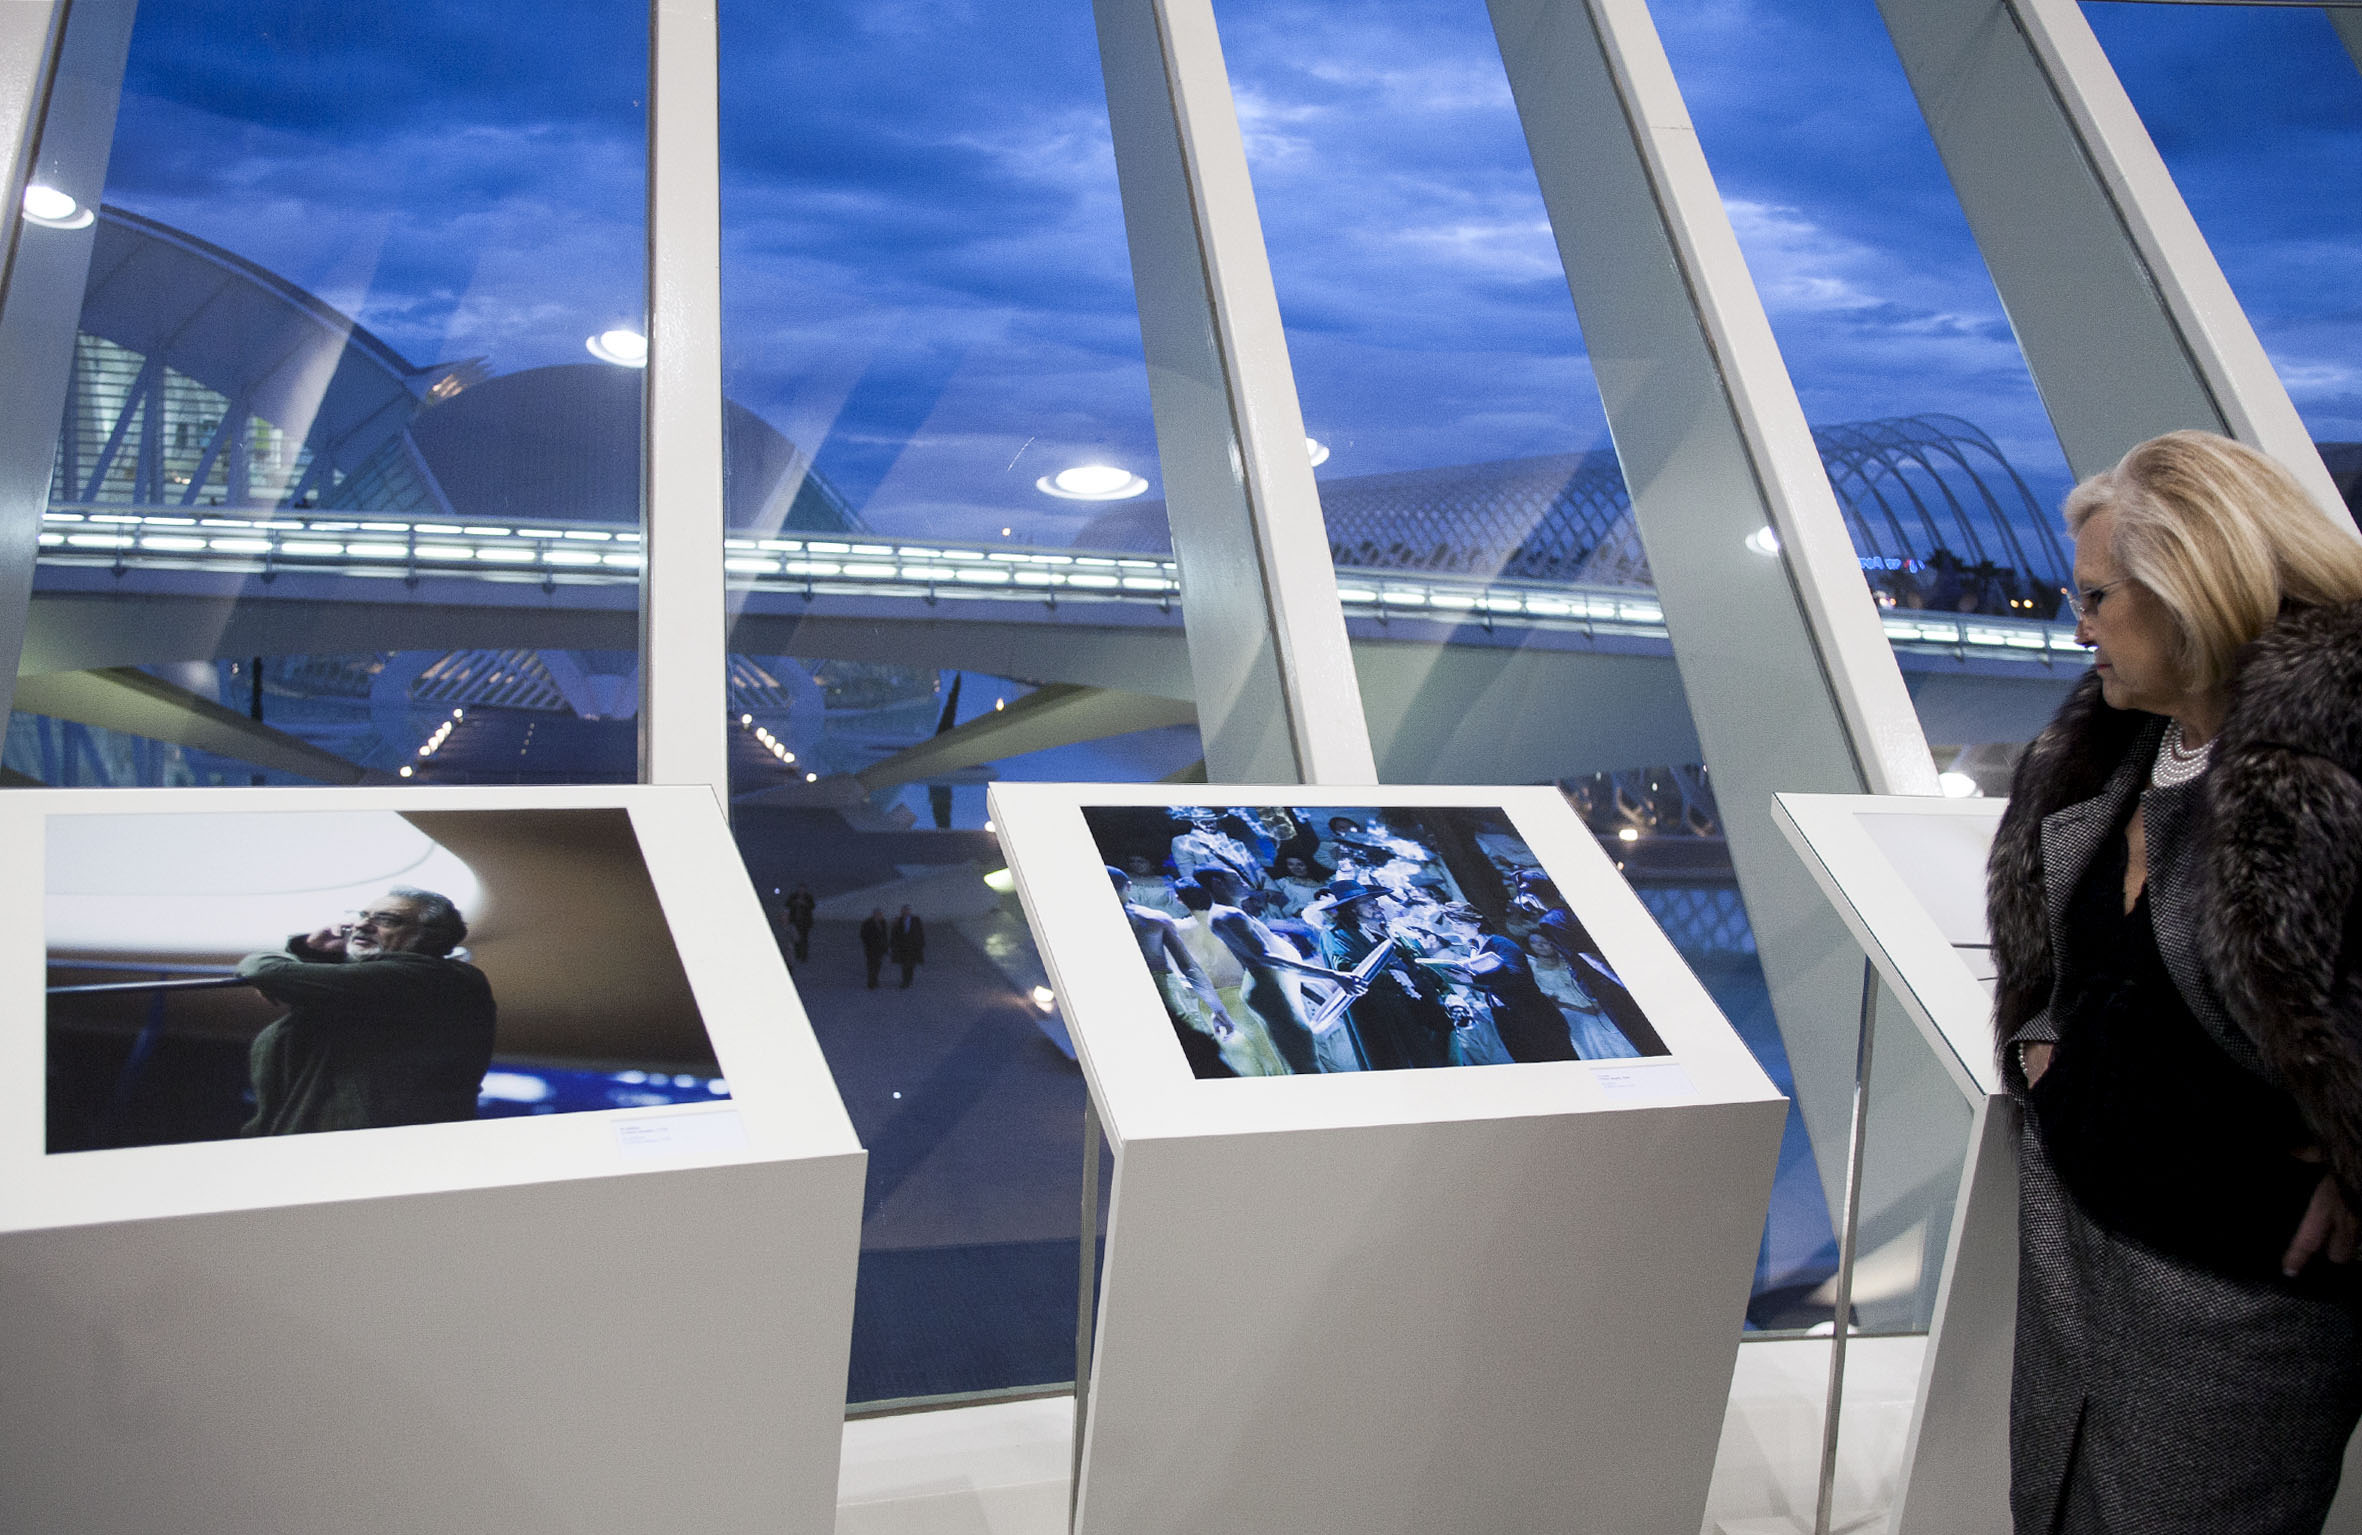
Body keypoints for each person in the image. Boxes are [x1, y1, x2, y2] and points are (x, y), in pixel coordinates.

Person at [1986, 431, 2362, 1535]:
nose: (2079, 625)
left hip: (2235, 1311)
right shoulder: (2114, 748)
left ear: (2193, 585)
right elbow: (2058, 952)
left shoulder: (2331, 764)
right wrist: (2045, 1049)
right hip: (2075, 1265)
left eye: (2099, 595)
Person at [234, 888, 496, 1136]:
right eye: (362, 916)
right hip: (311, 1153)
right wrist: (312, 955)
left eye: (386, 919)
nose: (361, 925)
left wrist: (290, 956)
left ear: (431, 936)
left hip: (376, 1156)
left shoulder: (436, 978)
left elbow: (268, 971)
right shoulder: (367, 992)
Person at [1109, 865, 1239, 1079]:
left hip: (1124, 995)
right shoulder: (1152, 918)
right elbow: (1189, 967)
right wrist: (1218, 1009)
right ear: (1129, 886)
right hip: (1167, 990)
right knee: (1196, 1053)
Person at [890, 904, 926, 988]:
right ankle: (905, 981)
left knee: (911, 965)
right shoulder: (898, 920)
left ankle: (909, 979)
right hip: (902, 947)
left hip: (913, 947)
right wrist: (893, 945)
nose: (905, 912)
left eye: (907, 910)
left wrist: (921, 943)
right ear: (901, 912)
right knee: (904, 965)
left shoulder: (916, 920)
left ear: (910, 911)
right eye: (904, 910)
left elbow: (920, 932)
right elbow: (894, 934)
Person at [782, 883, 817, 962]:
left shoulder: (808, 897)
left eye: (803, 889)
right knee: (796, 939)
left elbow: (812, 906)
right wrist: (795, 903)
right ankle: (797, 955)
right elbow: (787, 905)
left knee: (804, 939)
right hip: (794, 922)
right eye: (800, 889)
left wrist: (804, 904)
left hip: (805, 922)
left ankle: (804, 957)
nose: (801, 891)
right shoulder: (793, 896)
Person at [859, 907, 890, 989]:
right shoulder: (867, 923)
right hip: (871, 949)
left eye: (880, 914)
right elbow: (863, 935)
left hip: (880, 949)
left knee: (877, 965)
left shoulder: (883, 922)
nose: (879, 915)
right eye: (878, 914)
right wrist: (869, 944)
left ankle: (875, 980)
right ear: (874, 914)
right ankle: (871, 983)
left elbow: (884, 935)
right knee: (871, 966)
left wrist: (886, 947)